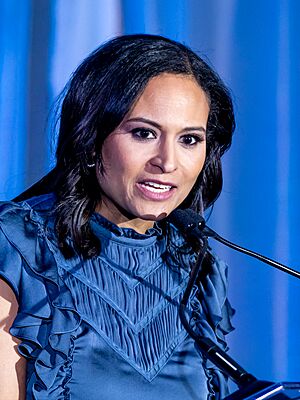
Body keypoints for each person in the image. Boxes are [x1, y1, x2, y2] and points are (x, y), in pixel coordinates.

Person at [0, 34, 235, 400]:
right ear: (91, 139)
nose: (167, 162)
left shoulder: (198, 268)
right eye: (144, 133)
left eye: (189, 140)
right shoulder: (18, 248)